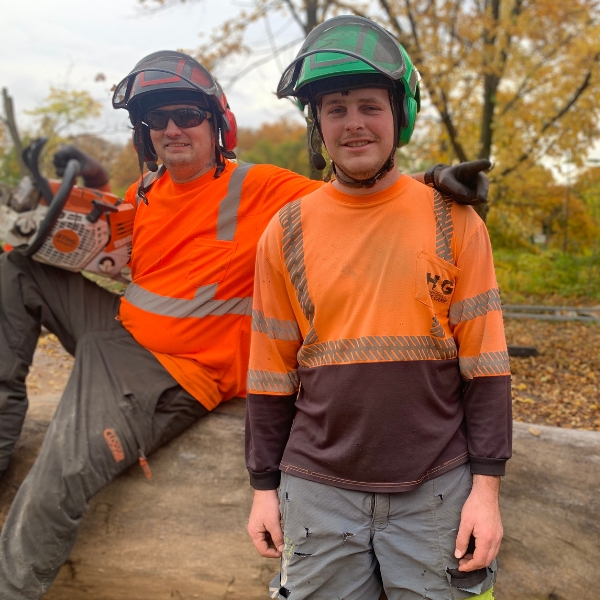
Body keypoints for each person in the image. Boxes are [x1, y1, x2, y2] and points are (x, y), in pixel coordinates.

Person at [0, 49, 492, 598]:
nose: (171, 129)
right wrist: (75, 193)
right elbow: (110, 244)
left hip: (170, 373)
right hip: (117, 329)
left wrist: (436, 181)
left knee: (52, 483)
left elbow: (359, 192)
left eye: (186, 114)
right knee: (14, 271)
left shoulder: (259, 189)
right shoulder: (147, 190)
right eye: (155, 120)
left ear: (218, 124)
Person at [245, 16, 511, 600]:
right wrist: (264, 486)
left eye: (370, 105)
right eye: (335, 109)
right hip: (315, 489)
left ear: (400, 117)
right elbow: (269, 369)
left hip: (437, 489)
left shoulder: (454, 219)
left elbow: (487, 363)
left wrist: (486, 493)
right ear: (317, 126)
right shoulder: (285, 231)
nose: (354, 123)